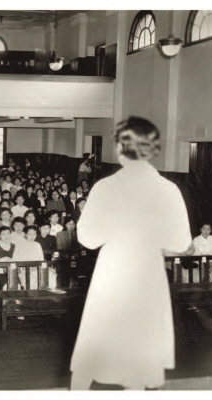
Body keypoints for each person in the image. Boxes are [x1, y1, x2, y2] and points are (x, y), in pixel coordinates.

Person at [71, 117, 192, 391]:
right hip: (148, 276)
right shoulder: (168, 189)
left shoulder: (106, 188)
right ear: (153, 149)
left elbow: (87, 238)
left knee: (93, 352)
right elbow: (182, 242)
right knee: (138, 360)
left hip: (113, 274)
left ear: (119, 148)